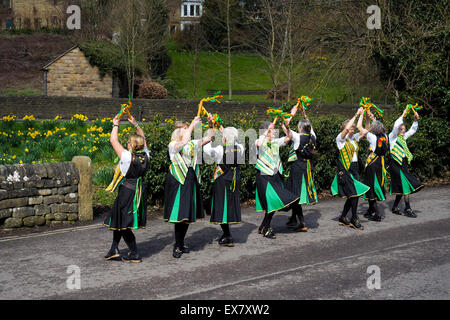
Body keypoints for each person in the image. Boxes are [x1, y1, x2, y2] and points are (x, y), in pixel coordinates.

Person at [163, 115, 214, 258]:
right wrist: (192, 125)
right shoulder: (173, 145)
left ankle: (180, 242)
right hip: (178, 181)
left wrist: (211, 125)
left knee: (187, 215)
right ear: (179, 133)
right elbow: (184, 141)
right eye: (184, 130)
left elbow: (208, 138)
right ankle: (177, 245)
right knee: (180, 214)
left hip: (190, 179)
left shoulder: (190, 144)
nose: (187, 132)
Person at [104, 114, 149, 263]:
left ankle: (134, 252)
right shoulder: (146, 155)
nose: (127, 143)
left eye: (129, 142)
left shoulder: (126, 157)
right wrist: (135, 124)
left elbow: (113, 140)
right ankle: (114, 249)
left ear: (132, 145)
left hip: (127, 191)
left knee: (123, 223)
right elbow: (144, 138)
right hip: (138, 191)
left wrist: (115, 124)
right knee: (119, 220)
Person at [255, 119, 299, 239]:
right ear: (266, 131)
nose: (274, 131)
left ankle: (263, 225)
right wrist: (266, 131)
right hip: (264, 176)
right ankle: (266, 229)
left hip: (276, 176)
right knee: (271, 202)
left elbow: (289, 138)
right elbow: (259, 144)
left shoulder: (275, 142)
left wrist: (287, 127)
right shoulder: (259, 141)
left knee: (273, 203)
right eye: (272, 130)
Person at [203, 125, 244, 246]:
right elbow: (234, 142)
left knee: (222, 206)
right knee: (230, 204)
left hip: (222, 180)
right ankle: (227, 234)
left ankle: (227, 235)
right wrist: (225, 133)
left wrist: (209, 138)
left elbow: (207, 150)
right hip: (235, 179)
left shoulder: (221, 149)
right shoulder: (240, 148)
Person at [331, 107, 370, 230]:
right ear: (345, 128)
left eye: (353, 129)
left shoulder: (354, 138)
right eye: (351, 128)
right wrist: (356, 114)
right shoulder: (340, 139)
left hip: (354, 168)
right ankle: (354, 218)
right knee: (354, 194)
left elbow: (366, 130)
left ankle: (343, 217)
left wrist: (365, 116)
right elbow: (347, 128)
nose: (352, 130)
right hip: (345, 168)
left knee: (353, 194)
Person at [284, 105, 318, 232]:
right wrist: (305, 115)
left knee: (295, 195)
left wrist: (292, 114)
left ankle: (302, 222)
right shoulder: (312, 136)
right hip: (308, 167)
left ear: (300, 128)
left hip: (298, 168)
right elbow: (311, 127)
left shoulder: (298, 137)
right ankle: (293, 218)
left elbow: (285, 126)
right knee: (296, 193)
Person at [388, 108, 424, 217]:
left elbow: (412, 130)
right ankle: (408, 209)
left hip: (403, 163)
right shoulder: (392, 137)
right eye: (401, 129)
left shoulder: (403, 138)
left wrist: (415, 120)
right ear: (397, 130)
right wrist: (403, 114)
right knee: (405, 184)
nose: (403, 131)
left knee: (402, 187)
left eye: (404, 129)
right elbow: (395, 126)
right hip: (395, 164)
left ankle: (395, 207)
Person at [356, 111, 389, 222]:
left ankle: (377, 214)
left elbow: (359, 127)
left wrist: (361, 114)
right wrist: (371, 118)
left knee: (371, 187)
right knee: (375, 185)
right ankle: (371, 210)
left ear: (373, 129)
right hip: (381, 163)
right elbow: (377, 126)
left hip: (372, 165)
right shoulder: (385, 136)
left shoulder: (372, 137)